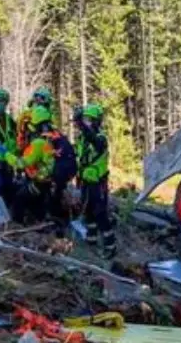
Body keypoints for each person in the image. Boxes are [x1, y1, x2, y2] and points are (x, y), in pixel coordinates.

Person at [13, 105, 77, 231]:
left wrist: (7, 155)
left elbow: (25, 162)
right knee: (48, 201)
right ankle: (50, 221)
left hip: (46, 180)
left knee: (20, 197)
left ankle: (17, 225)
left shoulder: (39, 141)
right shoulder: (55, 135)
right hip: (57, 178)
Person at [74, 102, 116, 257]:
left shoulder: (100, 138)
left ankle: (110, 246)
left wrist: (81, 125)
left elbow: (94, 141)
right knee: (88, 212)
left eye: (89, 120)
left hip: (99, 183)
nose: (86, 123)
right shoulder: (82, 139)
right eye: (84, 119)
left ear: (97, 121)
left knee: (100, 213)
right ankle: (91, 240)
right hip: (85, 181)